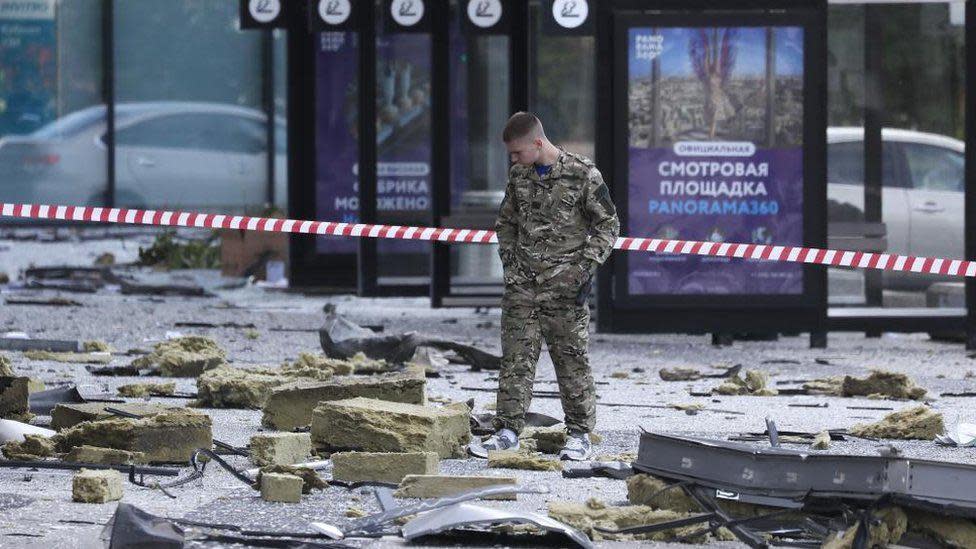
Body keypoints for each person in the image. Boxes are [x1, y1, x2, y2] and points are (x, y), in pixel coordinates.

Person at [469, 112, 620, 461]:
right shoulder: (519, 176)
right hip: (523, 287)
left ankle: (579, 434)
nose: (514, 159)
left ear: (538, 143)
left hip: (565, 289)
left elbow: (608, 226)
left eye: (518, 152)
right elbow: (505, 222)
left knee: (571, 361)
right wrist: (511, 264)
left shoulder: (582, 174)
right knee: (516, 361)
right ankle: (507, 431)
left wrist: (582, 271)